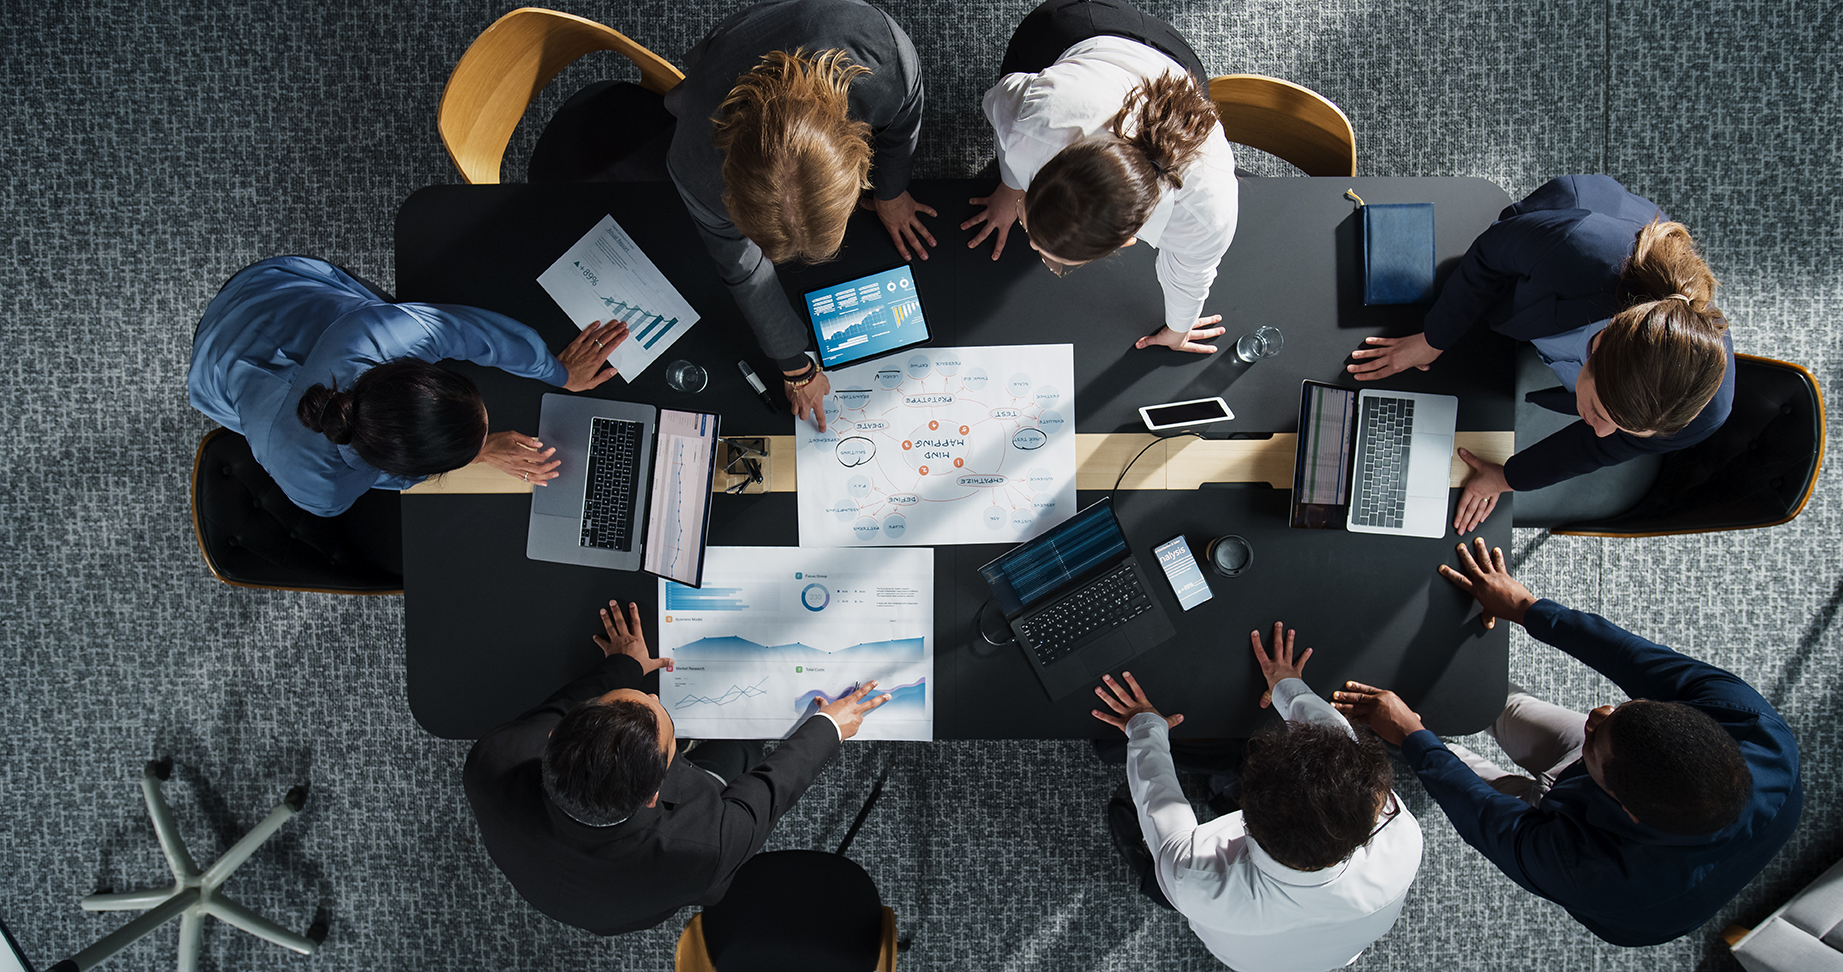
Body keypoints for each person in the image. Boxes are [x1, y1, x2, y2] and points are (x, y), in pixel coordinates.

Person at [1333, 538, 1801, 947]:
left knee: (1457, 767)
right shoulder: (1752, 724)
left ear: (1625, 806)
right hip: (1633, 795)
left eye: (1594, 742)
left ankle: (1410, 731)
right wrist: (1528, 608)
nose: (1595, 714)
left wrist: (1414, 736)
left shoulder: (1591, 876)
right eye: (1621, 708)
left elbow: (1481, 814)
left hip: (1614, 879)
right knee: (1496, 703)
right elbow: (1630, 655)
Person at [463, 599, 891, 935]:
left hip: (554, 878)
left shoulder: (496, 758)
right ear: (656, 792)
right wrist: (831, 725)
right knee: (741, 753)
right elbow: (768, 793)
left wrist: (625, 665)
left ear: (555, 736)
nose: (652, 696)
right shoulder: (702, 846)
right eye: (671, 744)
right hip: (630, 899)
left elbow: (558, 706)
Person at [1346, 174, 1736, 532]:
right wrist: (1432, 340)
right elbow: (1488, 256)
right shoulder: (1575, 249)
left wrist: (1504, 477)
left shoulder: (1695, 416)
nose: (1601, 431)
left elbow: (1596, 448)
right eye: (1600, 412)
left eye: (1619, 425)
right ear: (1596, 345)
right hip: (1554, 249)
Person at [1091, 623, 1422, 971]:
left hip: (1225, 925)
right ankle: (1218, 794)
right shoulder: (1401, 838)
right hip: (1320, 954)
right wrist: (1287, 686)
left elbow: (1158, 802)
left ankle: (1148, 868)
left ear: (1245, 811)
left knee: (1167, 879)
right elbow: (1345, 757)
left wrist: (1143, 725)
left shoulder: (1196, 880)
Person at [666, 0, 932, 432]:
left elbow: (904, 119)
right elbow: (743, 268)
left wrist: (891, 193)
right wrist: (796, 366)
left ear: (856, 156)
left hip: (821, 19)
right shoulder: (694, 168)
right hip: (722, 63)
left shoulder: (885, 60)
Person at [188, 256, 626, 517]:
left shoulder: (373, 335)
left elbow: (468, 331)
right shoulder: (320, 491)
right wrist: (480, 448)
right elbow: (387, 475)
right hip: (218, 365)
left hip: (269, 292)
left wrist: (557, 371)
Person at [964, 0, 1239, 356]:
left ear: (1126, 241)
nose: (1031, 245)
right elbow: (1000, 104)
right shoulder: (1033, 121)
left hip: (1173, 75)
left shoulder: (1207, 216)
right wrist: (1009, 187)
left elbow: (1190, 276)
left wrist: (1178, 329)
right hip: (1074, 29)